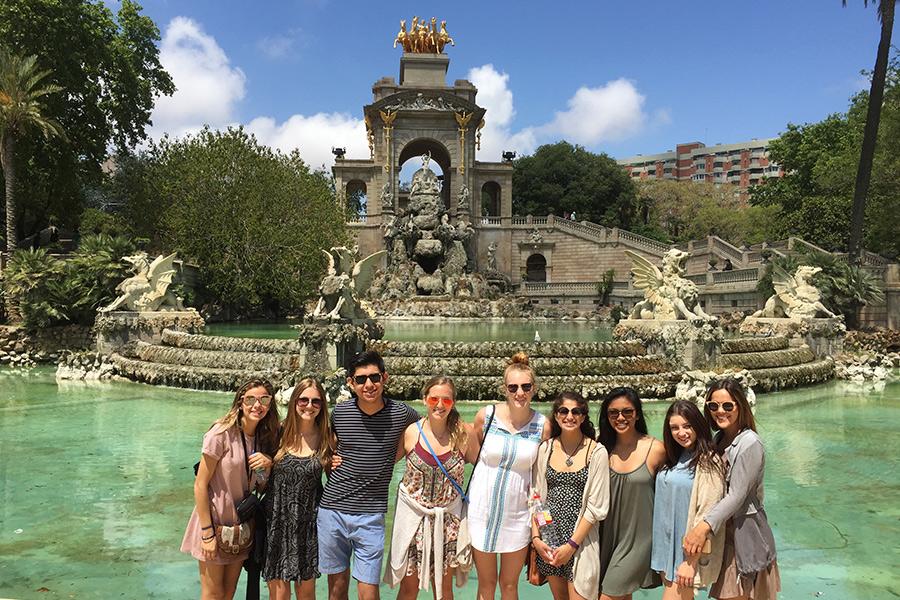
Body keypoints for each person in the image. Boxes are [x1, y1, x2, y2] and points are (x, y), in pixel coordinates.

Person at [317, 350, 419, 600]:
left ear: (385, 378)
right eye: (361, 380)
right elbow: (325, 448)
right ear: (351, 383)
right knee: (337, 588)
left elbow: (427, 433)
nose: (369, 385)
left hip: (371, 514)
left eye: (374, 377)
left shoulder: (403, 414)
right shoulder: (340, 413)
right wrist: (327, 461)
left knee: (368, 591)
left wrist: (394, 457)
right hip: (333, 509)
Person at [182, 379, 280, 600]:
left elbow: (261, 485)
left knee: (228, 593)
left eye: (264, 399)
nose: (258, 405)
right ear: (240, 402)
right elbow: (200, 484)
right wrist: (207, 534)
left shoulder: (264, 439)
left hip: (239, 529)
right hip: (213, 524)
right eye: (251, 399)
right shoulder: (220, 434)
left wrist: (266, 466)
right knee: (213, 594)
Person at [683, 379, 781, 600]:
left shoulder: (749, 443)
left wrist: (703, 527)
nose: (720, 411)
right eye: (713, 406)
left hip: (744, 536)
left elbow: (737, 495)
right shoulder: (720, 440)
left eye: (728, 406)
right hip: (724, 536)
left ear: (740, 406)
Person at [384, 375, 478, 600]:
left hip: (448, 525)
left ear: (453, 402)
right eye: (434, 399)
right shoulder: (411, 432)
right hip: (414, 523)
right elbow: (383, 465)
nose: (439, 405)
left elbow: (484, 472)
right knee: (408, 590)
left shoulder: (464, 434)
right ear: (424, 399)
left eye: (446, 400)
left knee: (444, 592)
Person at [468, 351, 551, 600]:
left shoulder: (543, 425)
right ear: (505, 389)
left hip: (518, 515)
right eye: (513, 387)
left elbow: (541, 474)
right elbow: (473, 456)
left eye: (526, 386)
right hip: (481, 512)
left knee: (510, 586)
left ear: (534, 388)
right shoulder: (487, 415)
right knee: (485, 585)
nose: (519, 393)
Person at [531, 391, 610, 600]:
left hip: (580, 542)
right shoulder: (546, 448)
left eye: (576, 411)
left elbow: (596, 507)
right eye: (563, 411)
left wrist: (571, 546)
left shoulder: (596, 452)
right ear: (556, 415)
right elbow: (537, 499)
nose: (569, 416)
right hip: (550, 540)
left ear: (583, 416)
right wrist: (538, 538)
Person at [263, 378, 334, 600]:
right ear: (294, 402)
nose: (309, 406)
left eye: (316, 402)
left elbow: (334, 483)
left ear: (322, 406)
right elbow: (260, 479)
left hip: (308, 524)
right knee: (279, 595)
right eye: (303, 400)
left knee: (306, 594)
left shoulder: (327, 438)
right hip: (277, 520)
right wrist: (262, 466)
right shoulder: (277, 433)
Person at [650, 400, 725, 600]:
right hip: (666, 550)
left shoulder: (709, 461)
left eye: (687, 426)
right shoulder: (674, 456)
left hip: (686, 555)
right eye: (674, 428)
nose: (681, 433)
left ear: (698, 426)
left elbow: (707, 514)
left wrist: (690, 562)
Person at [597, 387, 666, 600]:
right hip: (605, 536)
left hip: (639, 541)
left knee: (608, 594)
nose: (620, 417)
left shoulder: (656, 449)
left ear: (636, 413)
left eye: (627, 411)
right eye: (613, 413)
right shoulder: (601, 447)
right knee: (621, 594)